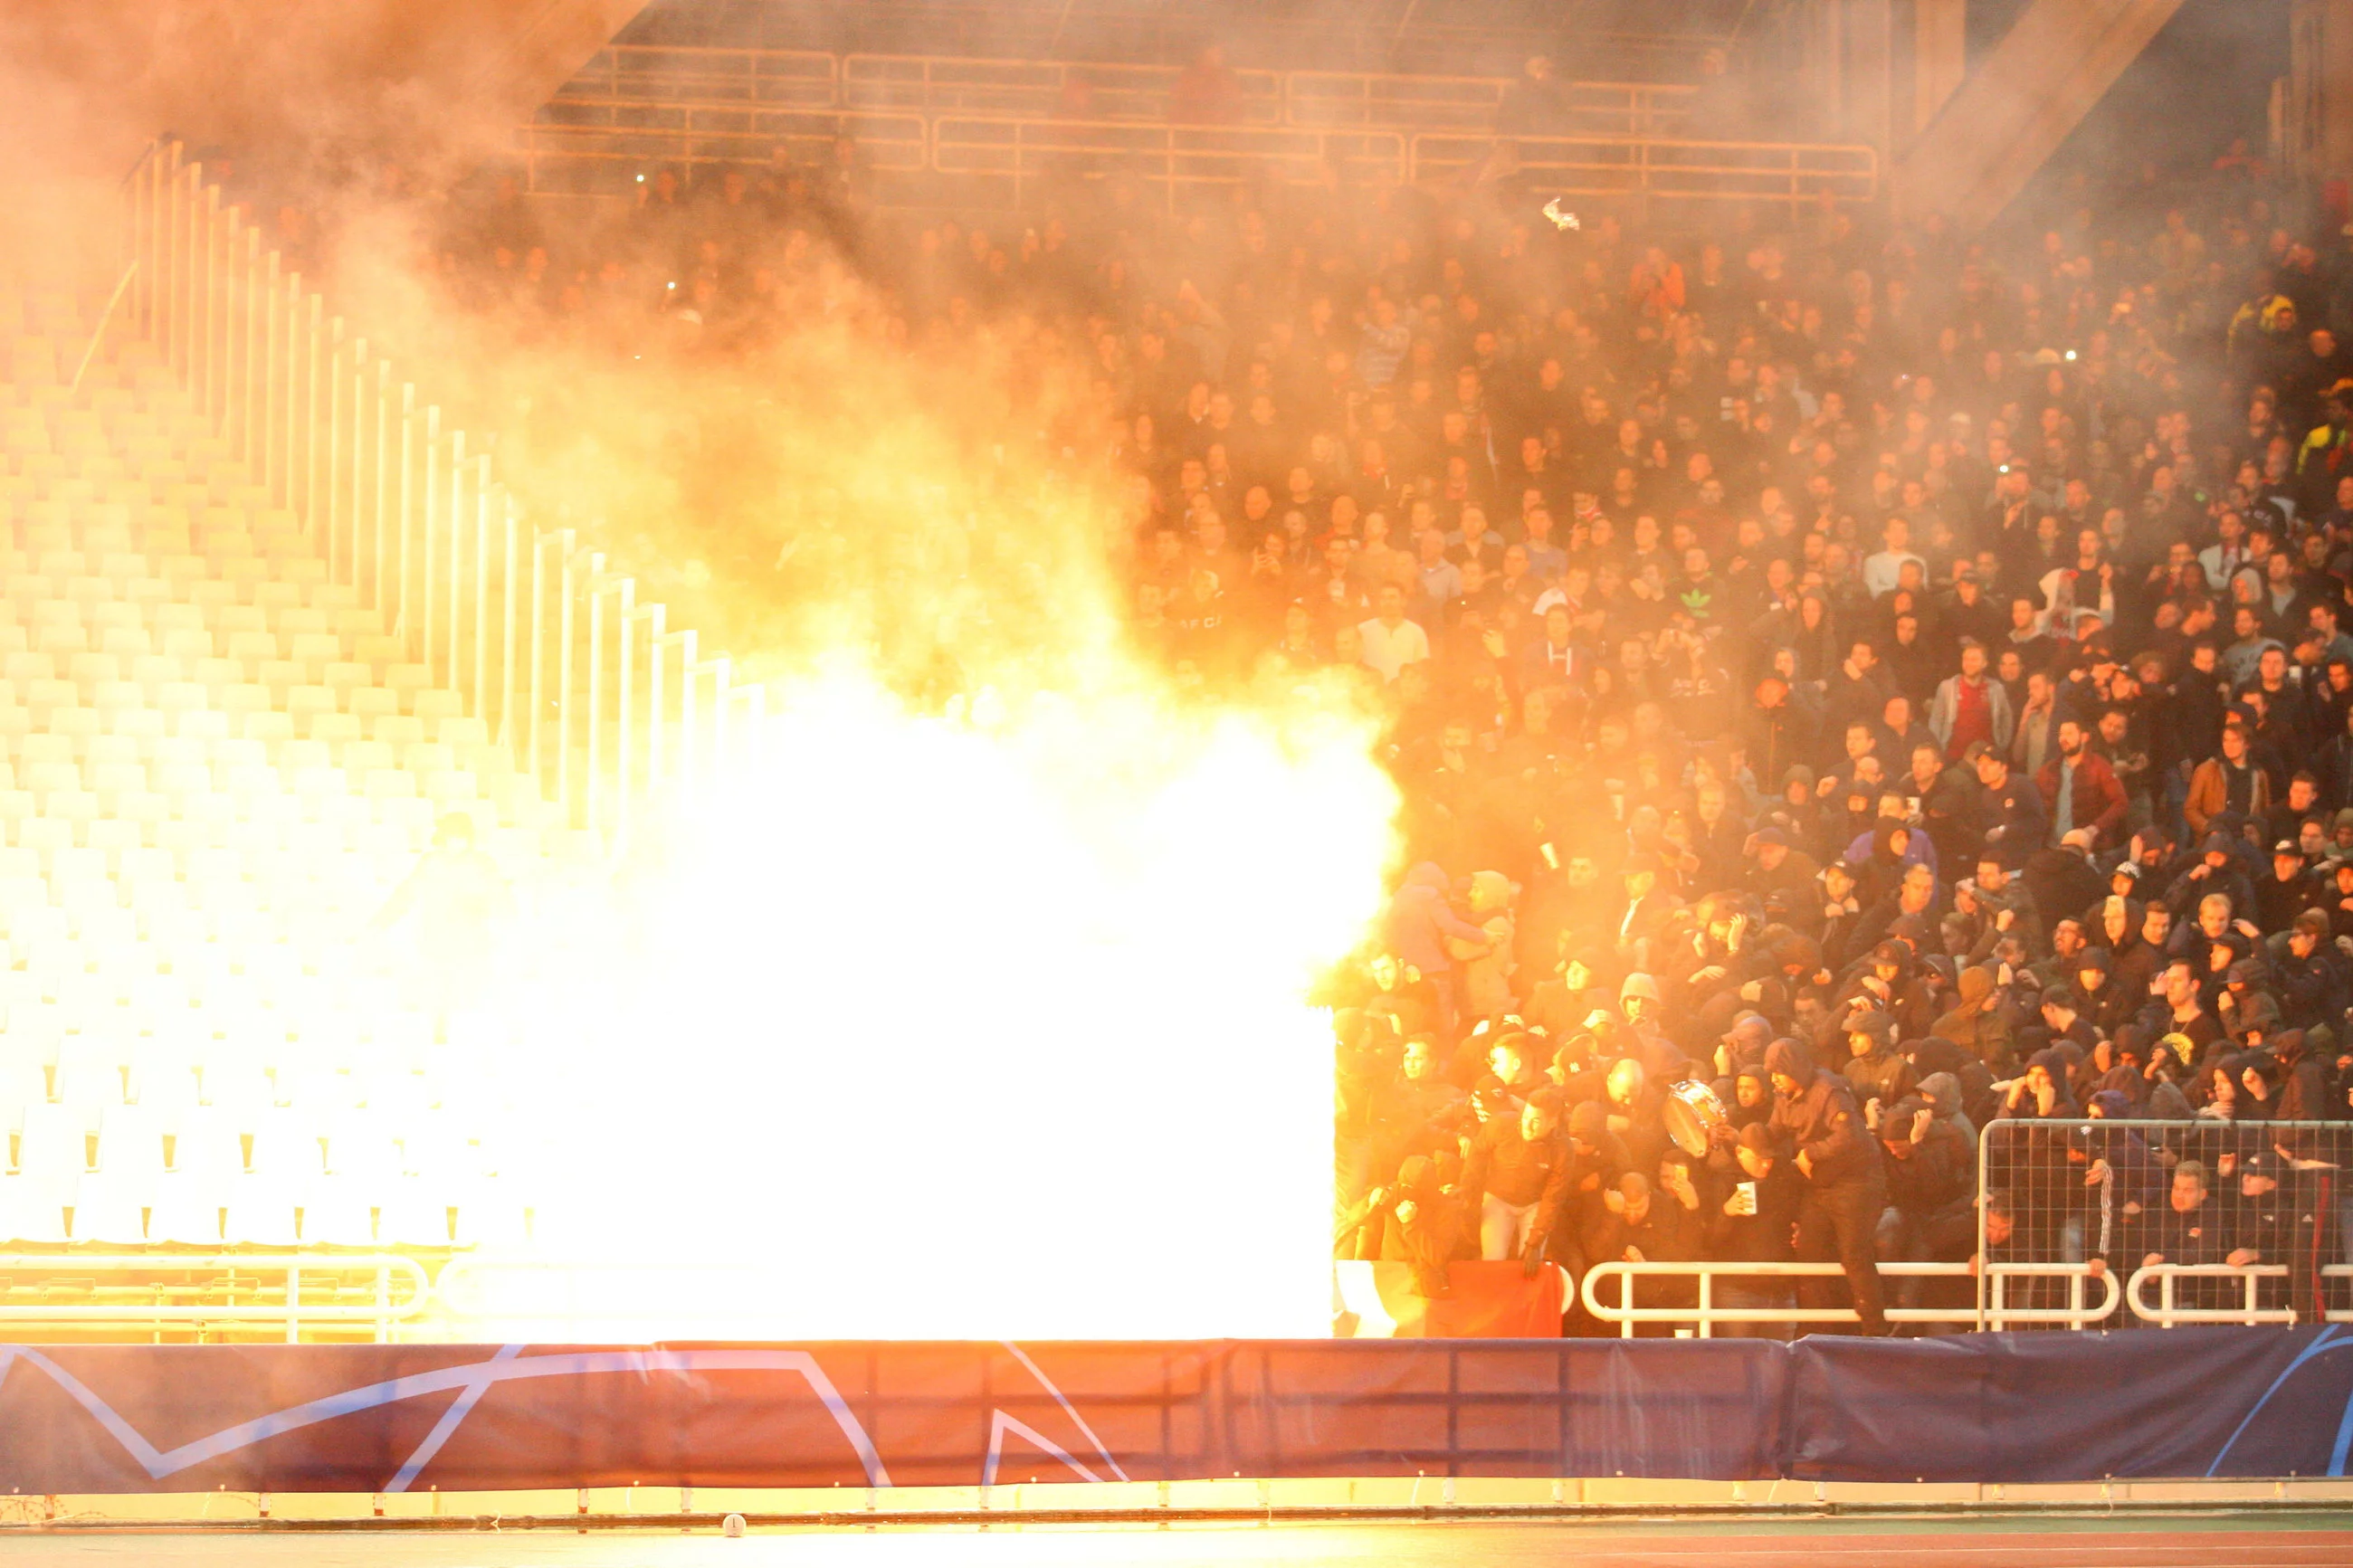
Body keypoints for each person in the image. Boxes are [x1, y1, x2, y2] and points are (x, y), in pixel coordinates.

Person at [1767, 1035, 1891, 1334]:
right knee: (1808, 1249)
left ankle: (1875, 1333)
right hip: (1820, 1185)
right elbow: (1773, 1132)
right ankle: (1819, 1330)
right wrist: (1740, 1138)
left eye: (1777, 1072)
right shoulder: (1783, 1097)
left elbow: (1851, 1136)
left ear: (1793, 1069)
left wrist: (1811, 1152)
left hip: (1856, 1182)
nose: (1773, 1080)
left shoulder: (1830, 1090)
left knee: (1854, 1254)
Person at [367, 813, 515, 1039]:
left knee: (468, 1001)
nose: (456, 843)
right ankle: (438, 1037)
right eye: (451, 838)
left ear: (469, 838)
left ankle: (467, 1039)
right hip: (436, 940)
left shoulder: (483, 864)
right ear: (443, 838)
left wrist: (497, 915)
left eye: (461, 838)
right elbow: (406, 894)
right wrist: (381, 921)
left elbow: (501, 899)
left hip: (471, 941)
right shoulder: (430, 862)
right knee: (438, 997)